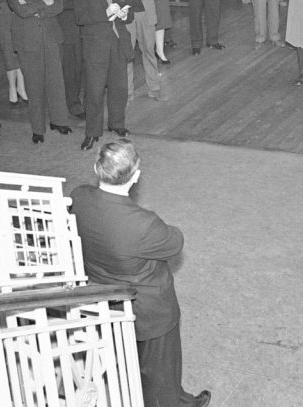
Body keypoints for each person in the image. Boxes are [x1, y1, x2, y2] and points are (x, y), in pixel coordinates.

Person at [68, 140, 212, 407]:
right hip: (148, 309)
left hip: (102, 295)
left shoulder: (79, 196)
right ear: (135, 176)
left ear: (97, 168)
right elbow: (175, 241)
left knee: (131, 359)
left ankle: (167, 398)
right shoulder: (143, 224)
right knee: (160, 370)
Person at [4, 0, 70, 144]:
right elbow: (20, 10)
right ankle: (38, 129)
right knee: (34, 85)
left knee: (56, 82)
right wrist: (44, 2)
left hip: (50, 36)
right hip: (27, 40)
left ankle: (59, 120)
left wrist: (34, 6)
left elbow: (58, 4)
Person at [74, 0, 134, 151]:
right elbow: (80, 17)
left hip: (118, 41)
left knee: (119, 88)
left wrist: (125, 14)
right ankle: (92, 132)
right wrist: (105, 12)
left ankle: (117, 124)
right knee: (94, 91)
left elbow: (130, 10)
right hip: (95, 45)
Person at [44, 0, 90, 120]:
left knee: (87, 64)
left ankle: (89, 99)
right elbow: (58, 2)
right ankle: (73, 104)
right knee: (70, 68)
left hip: (85, 24)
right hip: (66, 27)